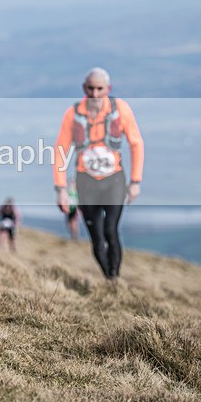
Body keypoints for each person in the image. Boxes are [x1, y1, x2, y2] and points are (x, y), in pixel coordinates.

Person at [53, 67, 144, 280]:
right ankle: (108, 277)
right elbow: (60, 151)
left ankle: (115, 278)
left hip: (114, 180)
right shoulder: (73, 114)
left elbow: (136, 143)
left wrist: (135, 181)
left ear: (108, 88)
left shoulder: (120, 109)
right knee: (96, 237)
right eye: (91, 89)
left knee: (111, 231)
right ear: (84, 88)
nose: (95, 94)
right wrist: (60, 189)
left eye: (100, 89)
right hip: (86, 182)